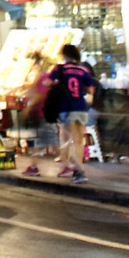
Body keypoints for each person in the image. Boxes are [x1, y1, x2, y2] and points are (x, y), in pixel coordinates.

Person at [49, 44, 98, 183]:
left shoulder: (59, 69)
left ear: (64, 55)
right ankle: (79, 169)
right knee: (78, 140)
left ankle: (68, 166)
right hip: (80, 107)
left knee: (65, 139)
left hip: (66, 108)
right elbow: (90, 90)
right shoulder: (83, 69)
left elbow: (47, 83)